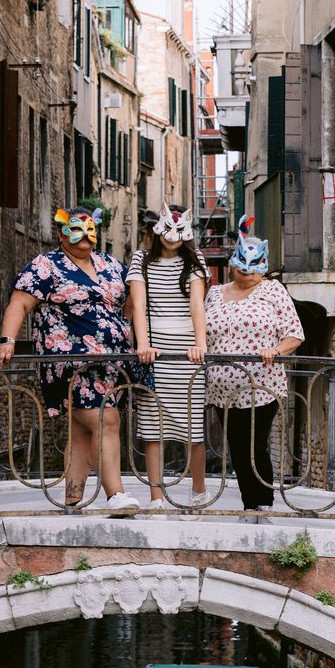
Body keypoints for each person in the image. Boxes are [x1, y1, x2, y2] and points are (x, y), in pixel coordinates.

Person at [0, 206, 142, 514]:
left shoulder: (110, 264)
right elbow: (19, 304)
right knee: (106, 419)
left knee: (82, 431)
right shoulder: (47, 266)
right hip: (72, 364)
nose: (84, 237)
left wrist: (123, 331)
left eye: (89, 230)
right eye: (76, 230)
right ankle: (116, 495)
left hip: (112, 365)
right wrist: (7, 341)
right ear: (61, 233)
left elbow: (129, 303)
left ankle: (72, 499)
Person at [206, 218, 304, 513]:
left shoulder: (273, 291)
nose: (246, 273)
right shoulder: (214, 293)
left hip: (262, 385)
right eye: (241, 266)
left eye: (252, 268)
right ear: (233, 263)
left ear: (262, 267)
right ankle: (249, 504)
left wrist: (275, 349)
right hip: (221, 389)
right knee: (236, 448)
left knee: (255, 444)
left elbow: (294, 334)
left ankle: (264, 503)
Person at [127, 205, 208, 509]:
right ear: (157, 228)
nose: (172, 237)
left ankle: (198, 492)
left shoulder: (195, 260)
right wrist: (143, 344)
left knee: (194, 428)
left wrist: (200, 345)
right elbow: (138, 306)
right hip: (155, 352)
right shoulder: (140, 260)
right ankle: (156, 498)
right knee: (152, 428)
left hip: (189, 352)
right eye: (167, 229)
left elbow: (197, 306)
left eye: (179, 231)